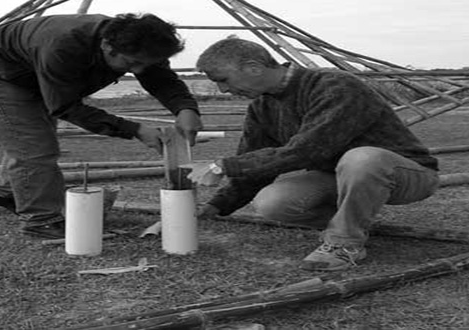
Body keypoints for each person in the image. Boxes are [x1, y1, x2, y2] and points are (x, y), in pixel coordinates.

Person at [186, 37, 438, 271]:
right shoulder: (262, 107)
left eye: (223, 79)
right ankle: (353, 224)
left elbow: (309, 149)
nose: (222, 90)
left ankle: (345, 245)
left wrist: (222, 165)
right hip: (338, 175)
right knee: (272, 202)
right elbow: (254, 169)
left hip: (406, 174)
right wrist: (213, 207)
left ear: (253, 67)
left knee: (363, 158)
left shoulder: (334, 85)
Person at [0, 13, 203, 239]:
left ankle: (7, 192)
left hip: (32, 70)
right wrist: (135, 130)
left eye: (146, 64)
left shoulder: (144, 46)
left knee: (31, 137)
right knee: (33, 144)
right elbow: (65, 106)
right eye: (133, 63)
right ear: (107, 45)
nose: (139, 71)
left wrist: (185, 108)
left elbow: (161, 80)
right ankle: (41, 220)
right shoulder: (64, 46)